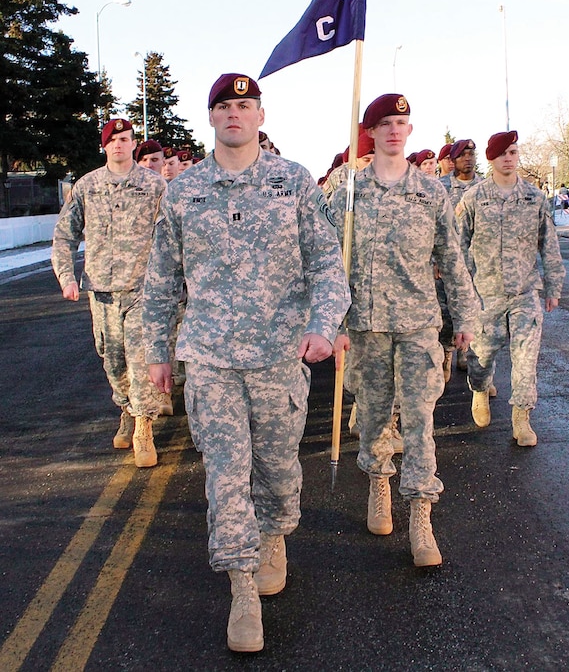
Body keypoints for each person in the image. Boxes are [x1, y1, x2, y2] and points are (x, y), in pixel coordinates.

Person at [142, 73, 350, 653]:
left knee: (279, 467)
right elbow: (161, 281)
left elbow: (328, 267)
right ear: (210, 118)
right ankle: (241, 589)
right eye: (224, 106)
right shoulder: (184, 191)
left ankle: (275, 536)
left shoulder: (294, 183)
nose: (234, 113)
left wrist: (322, 326)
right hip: (209, 357)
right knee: (226, 475)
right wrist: (157, 351)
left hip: (280, 356)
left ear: (261, 115)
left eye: (244, 105)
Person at [330, 93, 478, 568]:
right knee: (373, 419)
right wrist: (333, 325)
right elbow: (328, 261)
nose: (395, 129)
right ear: (370, 133)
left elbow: (451, 260)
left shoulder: (430, 192)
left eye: (402, 122)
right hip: (368, 328)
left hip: (418, 325)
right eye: (386, 123)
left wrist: (465, 317)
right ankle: (378, 483)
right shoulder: (349, 191)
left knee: (419, 421)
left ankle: (420, 513)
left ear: (410, 130)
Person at [51, 118, 168, 467]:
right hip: (101, 291)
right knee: (112, 360)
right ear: (104, 146)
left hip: (142, 290)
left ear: (134, 143)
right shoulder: (87, 187)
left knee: (140, 359)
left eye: (126, 138)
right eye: (113, 139)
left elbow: (174, 236)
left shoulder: (155, 185)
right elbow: (64, 235)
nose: (119, 144)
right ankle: (126, 409)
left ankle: (144, 426)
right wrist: (66, 277)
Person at [457, 131, 566, 445]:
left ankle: (521, 418)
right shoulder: (474, 199)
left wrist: (554, 285)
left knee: (525, 359)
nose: (509, 158)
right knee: (481, 357)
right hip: (485, 295)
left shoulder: (535, 198)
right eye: (502, 153)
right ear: (491, 159)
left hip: (524, 293)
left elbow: (549, 245)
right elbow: (458, 245)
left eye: (513, 152)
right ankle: (479, 390)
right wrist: (463, 290)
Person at [439, 138, 482, 373]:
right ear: (453, 160)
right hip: (447, 263)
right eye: (462, 155)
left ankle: (468, 356)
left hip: (477, 264)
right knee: (446, 311)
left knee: (475, 311)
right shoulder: (440, 188)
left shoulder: (485, 188)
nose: (468, 159)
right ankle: (446, 351)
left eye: (471, 154)